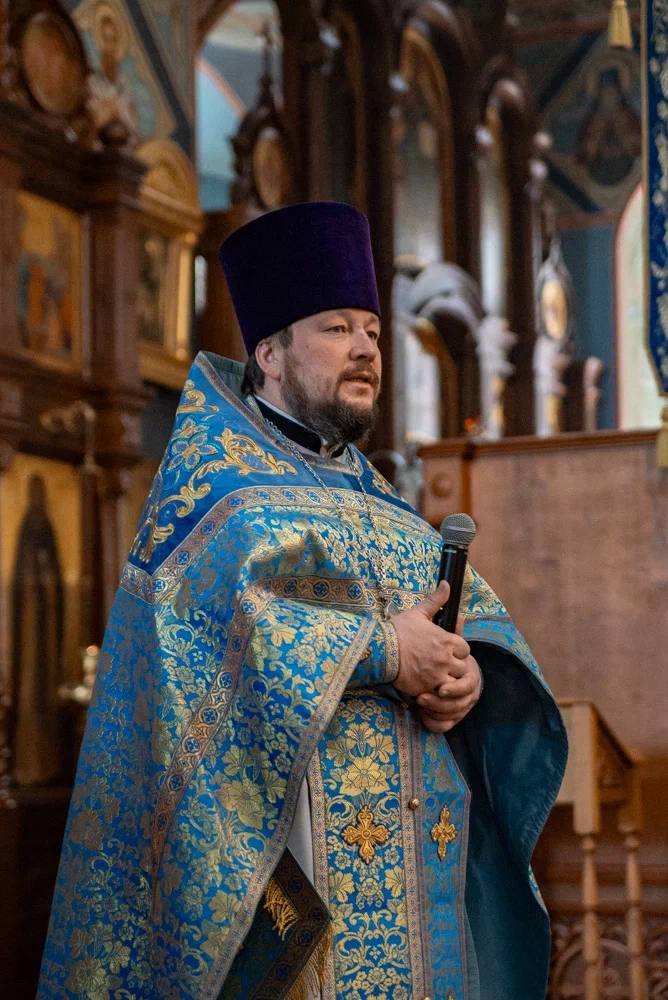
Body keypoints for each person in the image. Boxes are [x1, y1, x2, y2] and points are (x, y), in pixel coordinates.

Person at [38, 202, 567, 1000]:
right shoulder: (219, 501)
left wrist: (467, 675)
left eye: (372, 331)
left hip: (420, 903)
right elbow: (220, 644)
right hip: (296, 908)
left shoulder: (382, 502)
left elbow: (469, 626)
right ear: (270, 353)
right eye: (336, 328)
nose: (365, 349)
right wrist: (388, 650)